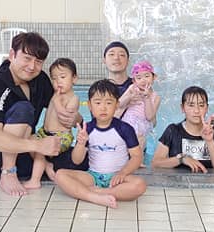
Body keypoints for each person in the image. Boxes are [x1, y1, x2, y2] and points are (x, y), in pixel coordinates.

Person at [0, 31, 73, 197]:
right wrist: (38, 146)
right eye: (27, 58)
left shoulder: (40, 80)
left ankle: (42, 166)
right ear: (12, 55)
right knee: (23, 109)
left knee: (76, 161)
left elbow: (59, 106)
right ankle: (8, 173)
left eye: (38, 61)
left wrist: (72, 117)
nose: (32, 67)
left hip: (24, 150)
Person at [52, 80, 147, 208]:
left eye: (109, 103)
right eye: (98, 103)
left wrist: (123, 173)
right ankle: (94, 197)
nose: (103, 108)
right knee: (60, 175)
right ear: (89, 106)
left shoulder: (125, 129)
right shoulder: (87, 129)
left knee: (140, 185)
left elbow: (137, 156)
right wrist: (81, 143)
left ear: (117, 105)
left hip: (117, 177)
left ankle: (97, 193)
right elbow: (76, 160)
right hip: (93, 177)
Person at [27, 58, 81, 190]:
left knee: (40, 148)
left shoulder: (73, 98)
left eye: (62, 77)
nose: (58, 82)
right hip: (44, 132)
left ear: (74, 79)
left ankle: (35, 180)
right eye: (54, 78)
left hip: (61, 136)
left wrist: (56, 101)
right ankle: (47, 166)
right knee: (28, 140)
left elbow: (65, 117)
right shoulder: (55, 94)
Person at [151, 86, 214, 173]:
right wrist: (181, 159)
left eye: (201, 105)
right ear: (182, 108)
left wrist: (210, 141)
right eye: (191, 105)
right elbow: (155, 163)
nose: (196, 110)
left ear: (206, 108)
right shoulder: (173, 130)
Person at [120, 60, 161, 154]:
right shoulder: (132, 88)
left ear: (154, 77)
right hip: (129, 120)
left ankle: (138, 158)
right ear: (134, 81)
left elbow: (149, 117)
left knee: (140, 142)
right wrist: (129, 97)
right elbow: (119, 103)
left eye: (147, 76)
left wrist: (147, 98)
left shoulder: (156, 97)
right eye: (139, 78)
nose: (143, 80)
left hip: (143, 124)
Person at [103, 40, 137, 117]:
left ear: (128, 61)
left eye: (122, 55)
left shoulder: (138, 86)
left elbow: (151, 120)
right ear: (104, 60)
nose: (116, 58)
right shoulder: (98, 89)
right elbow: (100, 122)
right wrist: (123, 104)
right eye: (111, 54)